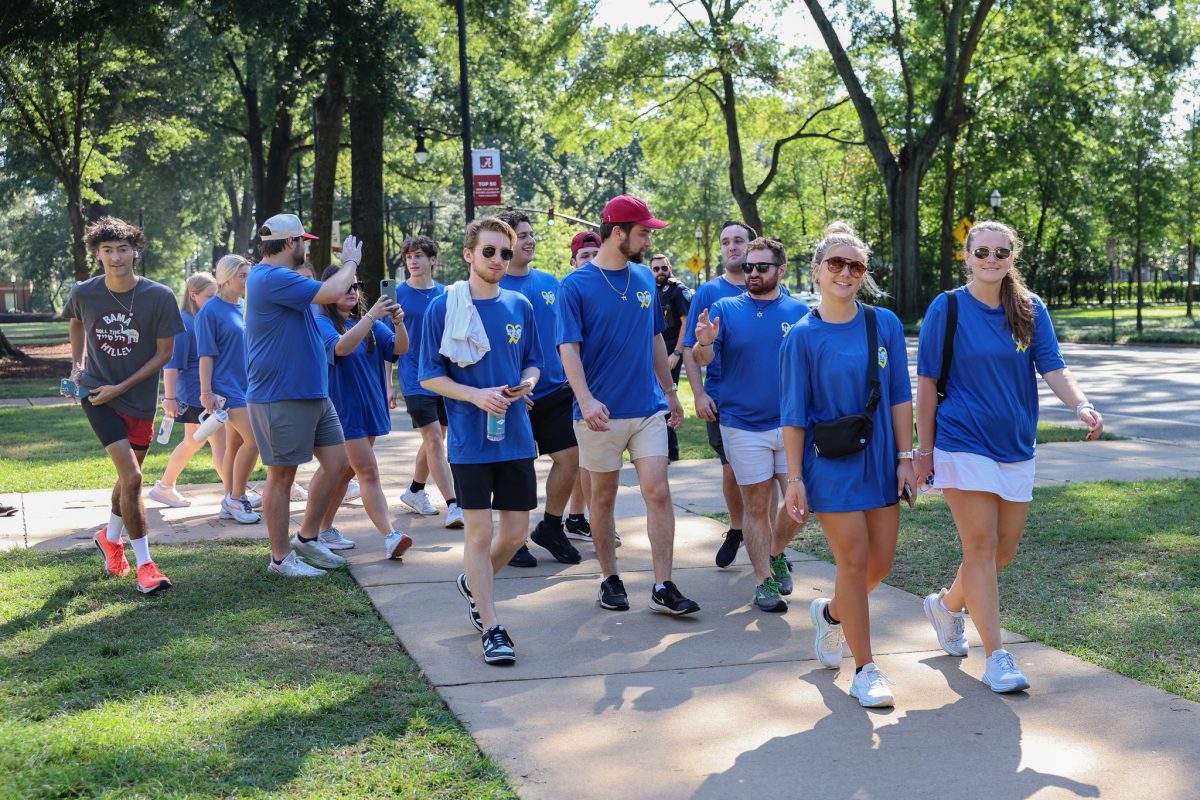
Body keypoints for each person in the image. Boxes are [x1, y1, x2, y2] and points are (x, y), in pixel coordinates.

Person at [914, 220, 1104, 694]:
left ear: (1012, 258)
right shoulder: (948, 307)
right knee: (979, 546)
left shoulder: (1029, 308)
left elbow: (1053, 368)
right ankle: (996, 657)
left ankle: (946, 605)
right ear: (967, 256)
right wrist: (923, 449)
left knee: (1004, 549)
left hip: (1016, 445)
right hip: (962, 441)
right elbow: (927, 383)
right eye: (982, 252)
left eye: (1001, 252)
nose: (991, 259)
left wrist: (1080, 404)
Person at [780, 221, 915, 708]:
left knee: (879, 565)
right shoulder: (802, 336)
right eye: (835, 263)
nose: (845, 272)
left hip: (881, 460)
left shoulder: (885, 324)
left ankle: (832, 614)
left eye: (854, 265)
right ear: (817, 270)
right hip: (830, 463)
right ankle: (866, 669)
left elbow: (900, 395)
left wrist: (907, 458)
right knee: (853, 560)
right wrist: (794, 479)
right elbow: (793, 416)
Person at [558, 195, 698, 616]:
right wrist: (585, 400)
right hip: (599, 414)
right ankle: (609, 577)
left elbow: (656, 338)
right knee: (603, 498)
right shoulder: (575, 285)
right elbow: (568, 348)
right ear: (617, 232)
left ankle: (663, 584)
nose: (648, 239)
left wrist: (671, 394)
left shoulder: (643, 278)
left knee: (658, 491)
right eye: (643, 232)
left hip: (647, 409)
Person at [419, 216, 542, 665]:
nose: (497, 260)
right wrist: (476, 394)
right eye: (489, 251)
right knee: (480, 530)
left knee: (514, 534)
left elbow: (533, 362)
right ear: (469, 255)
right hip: (471, 440)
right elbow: (429, 376)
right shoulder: (443, 307)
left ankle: (474, 581)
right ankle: (492, 625)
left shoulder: (519, 306)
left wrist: (524, 385)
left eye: (505, 253)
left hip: (515, 437)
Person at [67, 216, 184, 594]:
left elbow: (164, 354)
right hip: (97, 395)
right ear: (97, 255)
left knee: (125, 480)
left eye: (122, 249)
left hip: (137, 399)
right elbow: (75, 321)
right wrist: (78, 364)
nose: (115, 257)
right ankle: (146, 566)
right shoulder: (84, 292)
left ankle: (109, 539)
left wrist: (122, 387)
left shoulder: (160, 296)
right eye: (107, 251)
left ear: (136, 251)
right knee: (133, 479)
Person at [693, 237, 808, 612]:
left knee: (802, 504)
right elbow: (703, 356)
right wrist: (705, 344)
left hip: (791, 425)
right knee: (756, 506)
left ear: (781, 269)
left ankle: (775, 552)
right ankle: (763, 582)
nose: (753, 273)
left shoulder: (801, 311)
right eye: (748, 267)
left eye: (761, 267)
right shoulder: (725, 307)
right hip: (742, 425)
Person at [244, 212, 361, 577]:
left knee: (340, 464)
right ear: (292, 242)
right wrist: (351, 262)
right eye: (304, 242)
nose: (306, 248)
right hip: (280, 393)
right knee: (282, 476)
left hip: (311, 391)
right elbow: (332, 291)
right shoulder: (270, 276)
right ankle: (281, 560)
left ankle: (307, 537)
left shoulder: (284, 278)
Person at [497, 210, 582, 568]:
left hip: (556, 390)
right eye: (521, 236)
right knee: (515, 470)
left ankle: (550, 526)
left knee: (571, 458)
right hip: (514, 397)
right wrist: (514, 386)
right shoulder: (494, 289)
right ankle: (512, 539)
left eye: (531, 234)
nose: (530, 240)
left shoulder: (551, 283)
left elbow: (568, 335)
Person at [310, 267, 412, 558]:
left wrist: (398, 323)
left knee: (345, 473)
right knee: (368, 471)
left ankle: (322, 529)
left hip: (370, 407)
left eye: (357, 285)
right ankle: (390, 535)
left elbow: (400, 348)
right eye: (346, 286)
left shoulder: (366, 322)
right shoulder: (321, 322)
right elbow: (340, 348)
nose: (353, 291)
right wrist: (371, 317)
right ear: (329, 291)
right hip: (344, 411)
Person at [682, 220, 759, 568]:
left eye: (738, 241)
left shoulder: (773, 288)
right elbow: (689, 348)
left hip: (766, 403)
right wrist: (698, 394)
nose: (732, 247)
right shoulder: (709, 293)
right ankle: (737, 528)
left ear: (751, 246)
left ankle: (769, 539)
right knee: (731, 471)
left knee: (765, 477)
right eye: (726, 242)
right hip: (722, 400)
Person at [394, 236, 462, 528]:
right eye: (409, 256)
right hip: (414, 377)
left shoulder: (446, 293)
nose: (413, 260)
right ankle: (454, 504)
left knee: (436, 438)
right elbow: (389, 345)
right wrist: (387, 384)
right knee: (434, 439)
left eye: (419, 255)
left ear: (433, 260)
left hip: (443, 377)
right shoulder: (397, 294)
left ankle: (414, 490)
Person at [147, 272, 228, 508]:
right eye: (210, 296)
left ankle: (164, 486)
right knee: (219, 442)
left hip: (200, 393)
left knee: (194, 442)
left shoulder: (202, 319)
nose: (215, 300)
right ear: (193, 295)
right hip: (195, 395)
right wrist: (169, 398)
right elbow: (171, 365)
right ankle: (234, 493)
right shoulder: (184, 324)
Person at [195, 255, 261, 525]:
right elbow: (206, 356)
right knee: (256, 441)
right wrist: (206, 392)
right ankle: (236, 497)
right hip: (226, 390)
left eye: (249, 275)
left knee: (235, 444)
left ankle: (228, 501)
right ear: (226, 277)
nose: (247, 281)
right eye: (242, 276)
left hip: (249, 385)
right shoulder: (210, 311)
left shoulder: (245, 306)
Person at [564, 230, 601, 543]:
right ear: (573, 262)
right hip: (567, 387)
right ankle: (583, 518)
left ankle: (578, 518)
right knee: (579, 457)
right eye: (584, 256)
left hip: (604, 388)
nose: (590, 261)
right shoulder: (569, 289)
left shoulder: (612, 288)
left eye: (594, 254)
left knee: (583, 457)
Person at [652, 253, 692, 462]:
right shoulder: (649, 290)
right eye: (656, 269)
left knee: (667, 401)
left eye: (663, 268)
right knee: (656, 402)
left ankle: (671, 453)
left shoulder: (678, 291)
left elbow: (686, 323)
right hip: (653, 352)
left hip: (670, 353)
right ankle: (661, 452)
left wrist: (677, 353)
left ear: (670, 268)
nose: (660, 272)